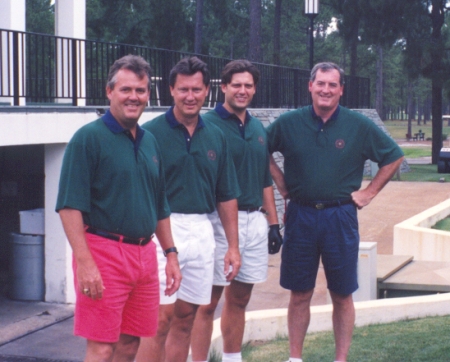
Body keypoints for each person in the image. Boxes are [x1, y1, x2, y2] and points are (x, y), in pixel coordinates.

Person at [266, 62, 404, 362]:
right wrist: (281, 183)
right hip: (300, 216)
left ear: (341, 89)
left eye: (333, 84)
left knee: (342, 294)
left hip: (340, 217)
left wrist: (369, 192)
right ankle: (295, 358)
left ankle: (340, 359)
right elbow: (259, 149)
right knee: (299, 293)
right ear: (310, 86)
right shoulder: (289, 123)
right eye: (321, 84)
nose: (326, 90)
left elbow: (393, 156)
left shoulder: (358, 125)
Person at [55, 54, 182, 362]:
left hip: (144, 255)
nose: (133, 97)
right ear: (109, 91)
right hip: (103, 253)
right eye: (125, 89)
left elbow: (160, 204)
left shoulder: (150, 142)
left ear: (148, 95)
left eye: (140, 90)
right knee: (102, 347)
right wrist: (85, 263)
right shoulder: (88, 139)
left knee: (129, 344)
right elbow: (69, 207)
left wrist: (171, 254)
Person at [135, 56, 241, 362]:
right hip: (161, 230)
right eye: (183, 89)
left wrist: (232, 246)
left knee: (185, 319)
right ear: (171, 90)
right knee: (158, 321)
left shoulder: (216, 136)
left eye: (196, 89)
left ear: (207, 90)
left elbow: (226, 196)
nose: (190, 96)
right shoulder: (149, 134)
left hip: (201, 230)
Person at [190, 59, 283, 362]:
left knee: (240, 299)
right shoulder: (207, 125)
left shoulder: (257, 127)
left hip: (254, 221)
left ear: (254, 89)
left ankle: (232, 359)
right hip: (218, 222)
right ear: (224, 87)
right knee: (207, 302)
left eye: (248, 85)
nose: (242, 90)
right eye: (236, 85)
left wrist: (273, 224)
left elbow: (264, 177)